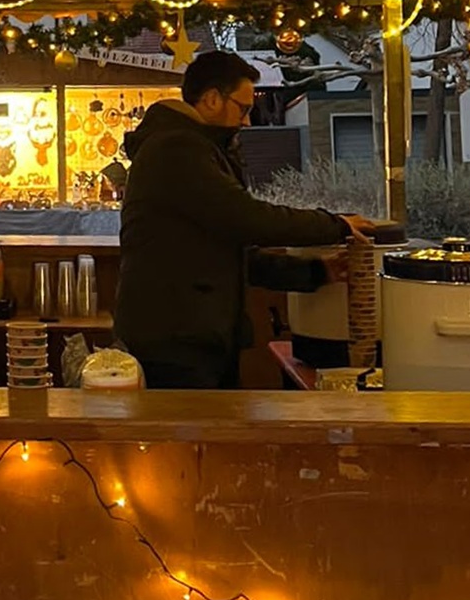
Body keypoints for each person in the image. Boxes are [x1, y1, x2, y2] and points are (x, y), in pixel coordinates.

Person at [115, 51, 369, 389]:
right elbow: (248, 218)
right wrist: (336, 225)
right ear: (211, 99)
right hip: (177, 342)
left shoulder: (189, 147)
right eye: (243, 108)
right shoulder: (176, 149)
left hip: (189, 335)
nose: (247, 121)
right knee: (194, 426)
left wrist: (315, 272)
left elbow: (231, 253)